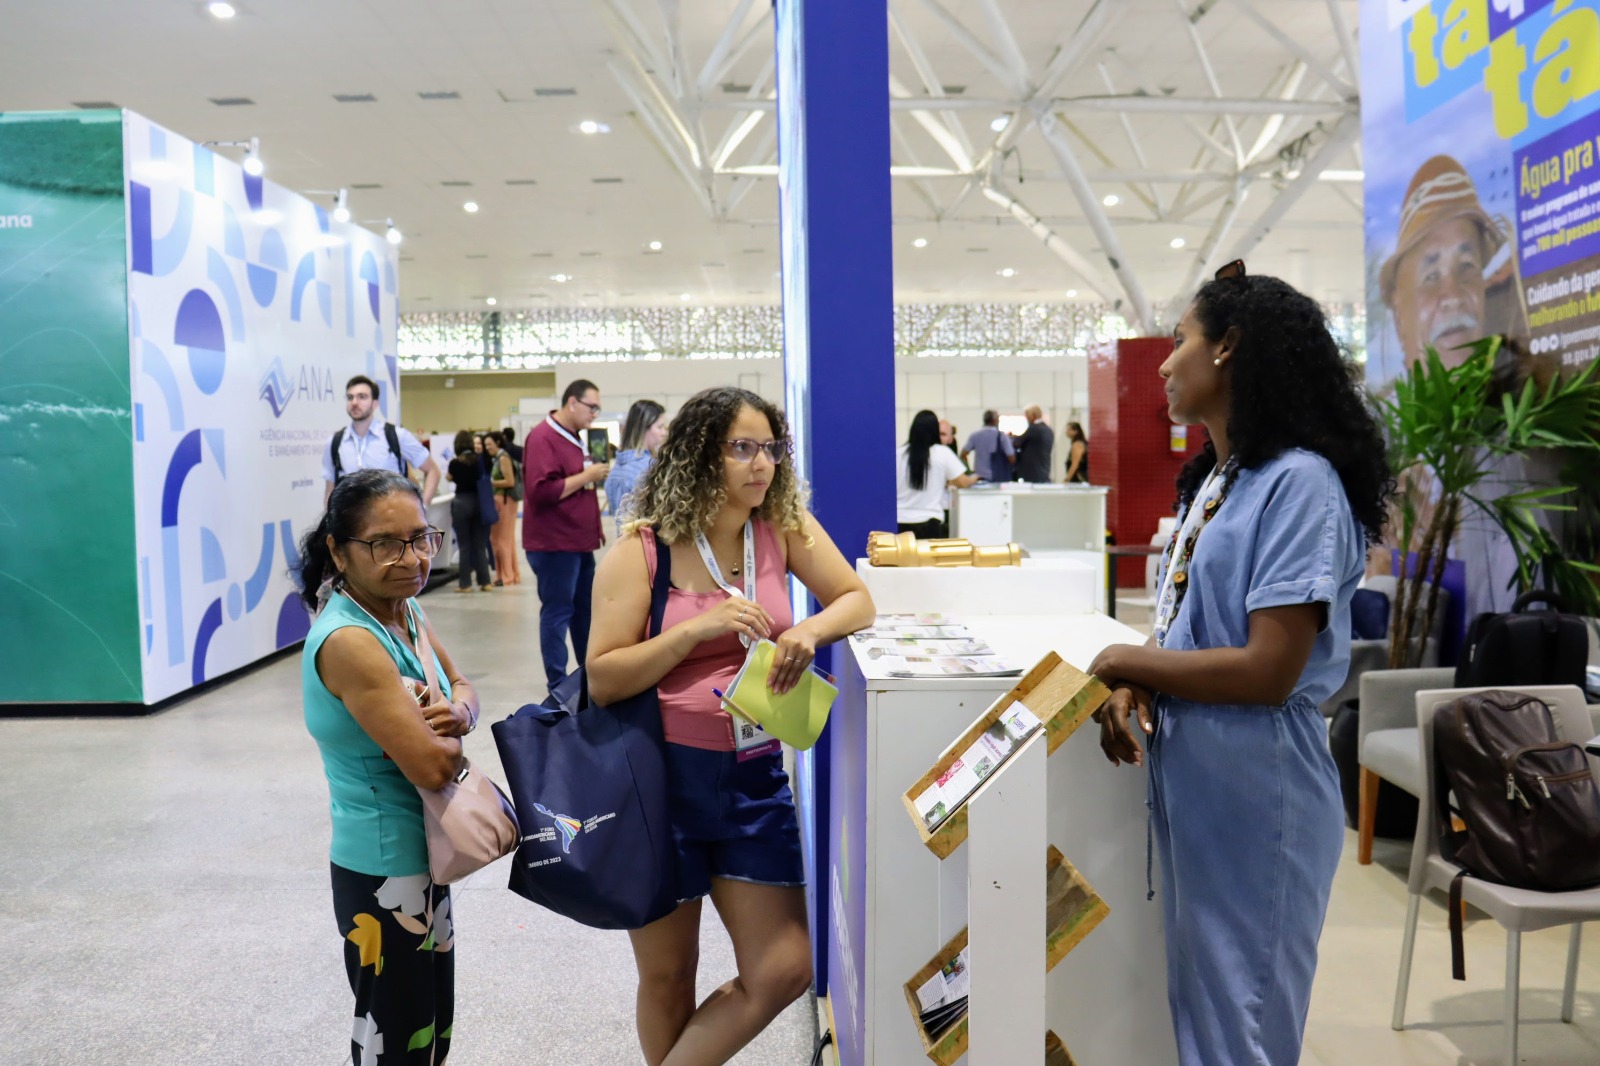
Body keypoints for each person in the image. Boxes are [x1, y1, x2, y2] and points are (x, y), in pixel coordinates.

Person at [1086, 266, 1393, 1066]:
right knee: (1208, 1018)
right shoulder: (1222, 479)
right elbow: (1192, 631)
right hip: (1202, 780)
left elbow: (1268, 669)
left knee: (1244, 1028)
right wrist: (1139, 677)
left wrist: (1127, 656)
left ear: (1228, 348)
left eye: (1181, 339)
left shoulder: (1301, 484)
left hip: (1263, 786)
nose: (1162, 361)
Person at [586, 386, 876, 1066]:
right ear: (698, 456)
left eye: (771, 448)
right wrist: (698, 632)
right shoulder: (642, 551)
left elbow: (858, 599)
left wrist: (807, 629)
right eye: (742, 448)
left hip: (753, 778)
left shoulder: (781, 529)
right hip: (659, 784)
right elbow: (603, 678)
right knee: (666, 977)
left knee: (784, 966)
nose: (761, 465)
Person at [298, 469, 481, 1066]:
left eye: (420, 538)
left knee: (429, 1031)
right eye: (384, 544)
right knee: (396, 1040)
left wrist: (457, 713)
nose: (410, 558)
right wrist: (450, 743)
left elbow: (463, 686)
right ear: (338, 550)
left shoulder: (403, 611)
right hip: (384, 872)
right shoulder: (351, 640)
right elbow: (431, 767)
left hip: (426, 855)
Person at [1379, 155, 1533, 378]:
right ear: (1399, 317)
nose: (1453, 297)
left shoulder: (1521, 400)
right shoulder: (1378, 413)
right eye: (1431, 276)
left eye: (1466, 266)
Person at [523, 379, 609, 688]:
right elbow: (541, 491)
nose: (595, 414)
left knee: (584, 611)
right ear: (572, 402)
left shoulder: (574, 438)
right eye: (592, 407)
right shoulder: (543, 437)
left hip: (578, 542)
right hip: (555, 544)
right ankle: (558, 685)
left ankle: (589, 676)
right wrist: (587, 475)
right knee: (558, 612)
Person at [323, 376, 441, 507]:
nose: (355, 402)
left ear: (375, 403)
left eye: (362, 397)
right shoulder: (335, 442)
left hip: (394, 520)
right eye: (350, 397)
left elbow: (433, 470)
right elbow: (330, 488)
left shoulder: (396, 436)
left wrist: (422, 508)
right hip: (351, 523)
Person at [897, 409, 976, 538]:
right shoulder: (942, 453)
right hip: (930, 523)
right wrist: (975, 478)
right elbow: (963, 482)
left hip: (900, 523)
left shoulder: (899, 454)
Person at [607, 399, 668, 535]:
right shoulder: (649, 468)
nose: (663, 433)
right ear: (644, 429)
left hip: (625, 544)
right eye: (660, 427)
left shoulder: (616, 470)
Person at [447, 430, 494, 593]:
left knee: (464, 545)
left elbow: (449, 477)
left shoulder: (454, 463)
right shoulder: (480, 461)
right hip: (479, 502)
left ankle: (465, 583)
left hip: (461, 503)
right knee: (480, 544)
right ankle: (486, 582)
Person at [485, 432, 521, 586]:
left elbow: (510, 481)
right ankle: (510, 574)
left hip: (504, 502)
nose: (488, 448)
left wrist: (491, 483)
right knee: (507, 540)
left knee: (500, 540)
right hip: (505, 501)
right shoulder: (500, 458)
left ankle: (505, 576)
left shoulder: (503, 458)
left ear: (498, 442)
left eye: (490, 444)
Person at [961, 409, 1014, 482]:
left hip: (978, 478)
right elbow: (1011, 458)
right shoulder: (1001, 436)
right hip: (998, 477)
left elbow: (963, 454)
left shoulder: (975, 435)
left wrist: (969, 471)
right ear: (994, 420)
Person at [1013, 405, 1054, 483]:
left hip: (1032, 472)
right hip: (1044, 471)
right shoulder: (1048, 430)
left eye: (1027, 416)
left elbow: (1017, 443)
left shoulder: (1033, 429)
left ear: (1033, 415)